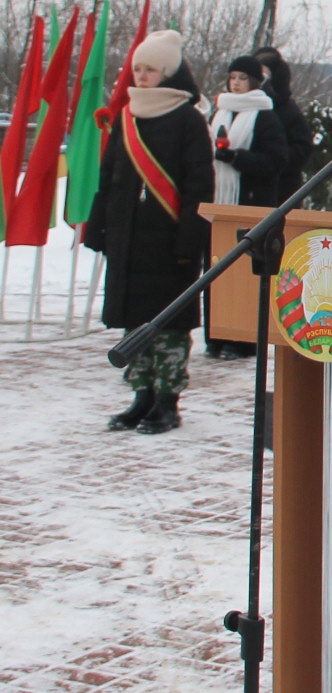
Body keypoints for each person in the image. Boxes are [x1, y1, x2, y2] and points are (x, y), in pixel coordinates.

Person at [83, 31, 215, 435]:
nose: (140, 76)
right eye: (137, 69)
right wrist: (98, 227)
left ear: (169, 74)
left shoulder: (189, 119)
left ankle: (167, 402)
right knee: (134, 321)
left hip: (170, 241)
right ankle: (140, 396)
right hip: (128, 239)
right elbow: (110, 176)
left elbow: (199, 185)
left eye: (150, 70)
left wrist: (189, 242)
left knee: (168, 325)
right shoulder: (127, 116)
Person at [205, 55, 291, 360]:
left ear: (254, 81)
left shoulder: (264, 115)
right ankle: (215, 335)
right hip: (219, 202)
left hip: (249, 202)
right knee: (215, 270)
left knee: (243, 276)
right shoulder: (220, 111)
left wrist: (237, 158)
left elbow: (277, 160)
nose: (236, 83)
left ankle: (242, 340)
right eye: (232, 77)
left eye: (242, 78)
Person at [253, 46, 315, 191]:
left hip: (279, 187)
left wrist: (269, 160)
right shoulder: (236, 106)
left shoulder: (288, 111)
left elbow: (302, 151)